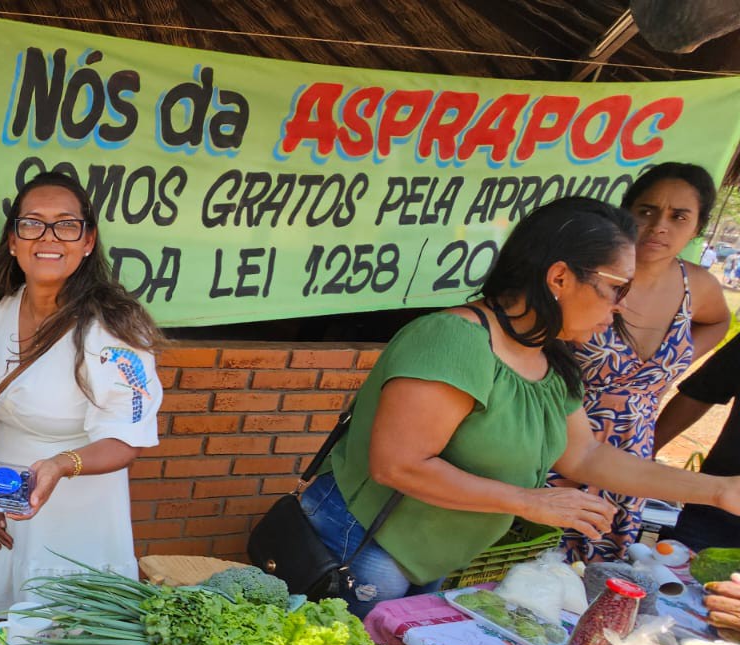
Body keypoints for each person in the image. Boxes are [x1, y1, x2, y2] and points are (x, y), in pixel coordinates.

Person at [301, 196, 740, 616]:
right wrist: (531, 502)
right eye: (616, 288)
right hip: (365, 543)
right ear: (560, 278)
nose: (621, 307)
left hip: (434, 555)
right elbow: (398, 466)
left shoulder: (549, 357)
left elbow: (585, 456)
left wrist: (719, 491)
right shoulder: (453, 339)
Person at [0, 171, 162, 616]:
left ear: (88, 240)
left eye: (66, 225)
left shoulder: (114, 329)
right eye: (32, 223)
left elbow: (127, 440)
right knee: (14, 627)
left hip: (79, 511)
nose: (48, 237)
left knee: (70, 635)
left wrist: (60, 465)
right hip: (8, 505)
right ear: (13, 240)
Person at [549, 163, 731, 562]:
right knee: (525, 568)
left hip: (632, 456)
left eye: (679, 216)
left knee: (592, 578)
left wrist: (674, 363)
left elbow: (720, 321)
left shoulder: (696, 286)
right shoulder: (588, 275)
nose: (659, 226)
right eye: (647, 211)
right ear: (626, 211)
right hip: (557, 442)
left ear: (698, 226)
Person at [655, 332, 740, 551]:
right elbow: (702, 391)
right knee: (678, 578)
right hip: (716, 509)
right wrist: (643, 454)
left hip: (716, 502)